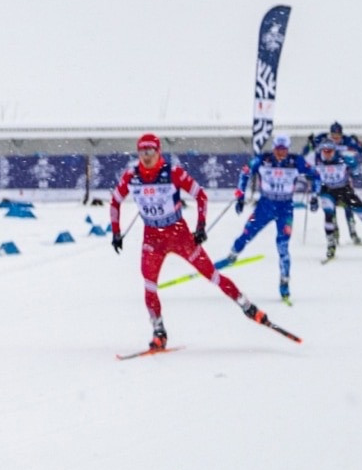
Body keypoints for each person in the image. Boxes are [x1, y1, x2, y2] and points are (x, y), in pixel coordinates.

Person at [109, 132, 286, 351]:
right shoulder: (131, 176)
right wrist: (116, 233)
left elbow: (200, 195)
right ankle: (159, 332)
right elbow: (115, 200)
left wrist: (200, 226)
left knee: (212, 275)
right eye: (142, 151)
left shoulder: (172, 173)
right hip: (153, 238)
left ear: (158, 152)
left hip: (178, 235)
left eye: (151, 151)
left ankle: (248, 307)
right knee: (149, 285)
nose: (146, 156)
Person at [220, 133, 315, 303]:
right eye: (278, 149)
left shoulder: (296, 161)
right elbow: (245, 173)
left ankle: (284, 283)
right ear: (273, 148)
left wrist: (315, 195)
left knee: (283, 247)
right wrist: (240, 196)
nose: (281, 153)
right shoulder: (263, 160)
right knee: (247, 233)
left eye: (284, 149)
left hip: (285, 209)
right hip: (265, 206)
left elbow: (315, 175)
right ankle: (232, 255)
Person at [308, 123, 362, 258]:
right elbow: (315, 179)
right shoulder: (318, 160)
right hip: (328, 191)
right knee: (328, 213)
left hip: (344, 189)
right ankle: (331, 244)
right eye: (325, 151)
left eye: (330, 151)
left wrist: (357, 167)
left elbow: (357, 165)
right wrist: (313, 197)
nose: (327, 154)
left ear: (334, 150)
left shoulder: (343, 158)